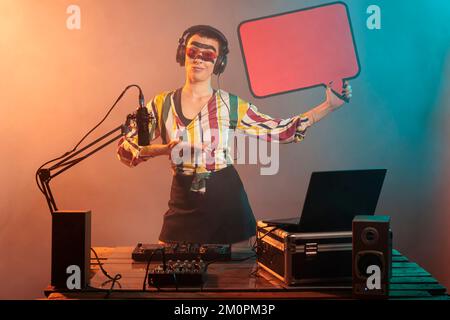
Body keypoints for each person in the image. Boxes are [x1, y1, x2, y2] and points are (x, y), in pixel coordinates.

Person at [117, 25, 352, 244]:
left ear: (218, 63)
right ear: (183, 54)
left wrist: (328, 106)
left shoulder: (231, 104)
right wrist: (164, 149)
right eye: (193, 50)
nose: (199, 58)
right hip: (182, 198)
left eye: (208, 54)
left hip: (227, 201)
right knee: (171, 276)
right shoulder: (160, 104)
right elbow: (127, 151)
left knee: (239, 279)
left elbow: (281, 132)